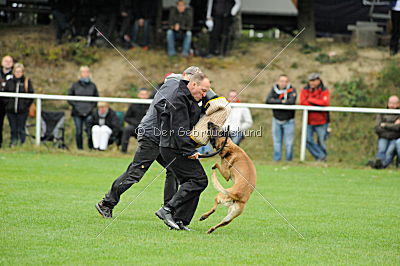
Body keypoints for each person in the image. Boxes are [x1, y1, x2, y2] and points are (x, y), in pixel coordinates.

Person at [95, 66, 202, 225]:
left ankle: (168, 210)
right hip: (151, 135)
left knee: (173, 170)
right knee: (135, 172)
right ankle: (106, 203)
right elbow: (161, 106)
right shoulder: (174, 85)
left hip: (162, 137)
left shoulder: (181, 88)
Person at [155, 72, 211, 231]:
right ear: (193, 85)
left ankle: (179, 221)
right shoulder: (179, 99)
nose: (204, 94)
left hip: (174, 146)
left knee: (190, 181)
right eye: (203, 91)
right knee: (199, 180)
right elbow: (179, 129)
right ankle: (168, 210)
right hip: (173, 148)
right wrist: (188, 151)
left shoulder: (190, 97)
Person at [266, 74, 297, 161]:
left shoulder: (292, 90)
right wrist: (282, 101)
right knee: (277, 142)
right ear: (277, 81)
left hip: (289, 120)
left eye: (286, 81)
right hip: (276, 119)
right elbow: (268, 100)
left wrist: (277, 102)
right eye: (282, 81)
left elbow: (291, 101)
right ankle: (276, 160)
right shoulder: (274, 90)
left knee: (289, 143)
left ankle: (288, 161)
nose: (284, 83)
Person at [300, 73, 330, 161]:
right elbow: (302, 102)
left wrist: (310, 100)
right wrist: (317, 102)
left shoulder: (324, 90)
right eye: (310, 81)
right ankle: (321, 156)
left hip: (321, 121)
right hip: (308, 120)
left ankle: (322, 158)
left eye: (314, 80)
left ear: (318, 80)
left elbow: (325, 103)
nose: (312, 83)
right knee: (307, 140)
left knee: (321, 141)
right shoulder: (305, 89)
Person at [68, 66, 99, 150]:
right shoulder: (75, 85)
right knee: (79, 132)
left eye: (87, 72)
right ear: (80, 74)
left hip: (89, 113)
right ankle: (80, 149)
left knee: (90, 132)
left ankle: (91, 148)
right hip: (77, 113)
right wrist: (78, 108)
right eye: (83, 72)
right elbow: (69, 98)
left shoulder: (93, 86)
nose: (85, 74)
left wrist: (89, 109)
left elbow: (96, 100)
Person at [4, 63, 34, 146]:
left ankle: (21, 144)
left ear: (23, 72)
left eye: (20, 72)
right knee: (13, 128)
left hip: (22, 110)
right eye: (16, 72)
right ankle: (13, 143)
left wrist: (25, 106)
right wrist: (7, 104)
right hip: (11, 110)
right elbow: (5, 95)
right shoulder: (9, 82)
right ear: (13, 72)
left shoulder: (27, 82)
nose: (18, 73)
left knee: (21, 128)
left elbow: (31, 95)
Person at [368, 96, 400, 169]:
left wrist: (385, 125)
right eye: (390, 103)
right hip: (383, 137)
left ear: (398, 104)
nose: (392, 105)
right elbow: (377, 128)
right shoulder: (382, 113)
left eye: (394, 103)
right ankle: (378, 164)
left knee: (389, 152)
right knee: (382, 150)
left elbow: (398, 128)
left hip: (395, 137)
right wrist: (393, 125)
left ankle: (381, 165)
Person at [121, 88, 150, 153]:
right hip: (135, 126)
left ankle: (147, 152)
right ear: (138, 95)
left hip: (147, 127)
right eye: (142, 94)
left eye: (145, 95)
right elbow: (126, 117)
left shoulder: (151, 105)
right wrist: (136, 123)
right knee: (127, 130)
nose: (144, 96)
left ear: (148, 96)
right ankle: (123, 151)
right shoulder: (133, 105)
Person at [0, 55, 14, 148]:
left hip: (10, 104)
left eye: (10, 61)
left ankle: (14, 144)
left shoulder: (15, 74)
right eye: (6, 61)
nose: (7, 63)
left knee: (14, 125)